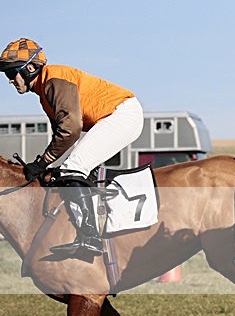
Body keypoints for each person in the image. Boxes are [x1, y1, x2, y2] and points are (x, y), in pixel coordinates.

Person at [0, 38, 144, 257]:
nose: (10, 81)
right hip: (118, 115)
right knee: (69, 171)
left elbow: (70, 129)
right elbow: (61, 136)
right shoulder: (44, 91)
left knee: (72, 169)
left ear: (30, 68)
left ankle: (90, 237)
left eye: (11, 73)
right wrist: (47, 166)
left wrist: (41, 163)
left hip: (122, 115)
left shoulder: (53, 80)